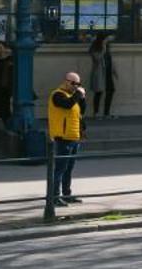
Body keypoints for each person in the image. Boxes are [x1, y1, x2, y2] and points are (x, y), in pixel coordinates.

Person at [47, 70, 89, 205]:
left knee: (69, 169)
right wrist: (78, 94)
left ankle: (66, 194)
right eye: (73, 83)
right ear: (66, 81)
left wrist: (82, 99)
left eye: (78, 84)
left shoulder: (73, 96)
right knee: (60, 169)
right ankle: (54, 197)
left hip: (74, 137)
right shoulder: (57, 95)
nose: (76, 86)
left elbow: (80, 111)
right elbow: (67, 104)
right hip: (62, 137)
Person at [87, 32, 118, 117]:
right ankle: (96, 113)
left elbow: (110, 60)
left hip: (108, 73)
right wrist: (103, 47)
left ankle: (106, 113)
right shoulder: (95, 47)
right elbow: (97, 58)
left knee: (110, 91)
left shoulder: (106, 47)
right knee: (98, 92)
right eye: (105, 40)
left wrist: (114, 71)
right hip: (100, 73)